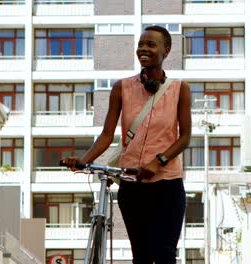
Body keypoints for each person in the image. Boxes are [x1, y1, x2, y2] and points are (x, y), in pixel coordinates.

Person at [61, 25, 192, 264]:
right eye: (141, 44)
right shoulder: (121, 88)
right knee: (140, 257)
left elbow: (184, 137)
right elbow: (107, 135)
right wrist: (84, 160)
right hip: (132, 183)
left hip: (168, 185)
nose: (143, 49)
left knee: (164, 255)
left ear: (167, 50)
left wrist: (157, 161)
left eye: (151, 44)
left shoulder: (179, 89)